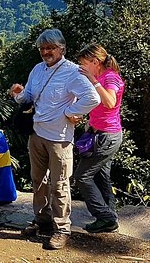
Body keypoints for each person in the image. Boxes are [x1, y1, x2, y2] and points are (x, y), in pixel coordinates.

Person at [9, 28, 100, 250]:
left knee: (59, 185)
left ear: (62, 49)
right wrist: (19, 94)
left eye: (50, 48)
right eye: (43, 48)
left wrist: (70, 112)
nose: (46, 52)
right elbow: (29, 97)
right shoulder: (37, 70)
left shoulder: (72, 72)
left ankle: (62, 229)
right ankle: (43, 221)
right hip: (37, 133)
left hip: (59, 138)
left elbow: (93, 98)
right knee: (37, 181)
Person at [73, 44, 124, 233]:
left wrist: (92, 80)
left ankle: (106, 217)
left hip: (106, 137)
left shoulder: (110, 77)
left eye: (84, 63)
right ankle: (109, 216)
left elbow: (110, 102)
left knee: (82, 177)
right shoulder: (103, 76)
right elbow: (99, 105)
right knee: (102, 177)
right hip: (100, 133)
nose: (81, 67)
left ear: (95, 62)